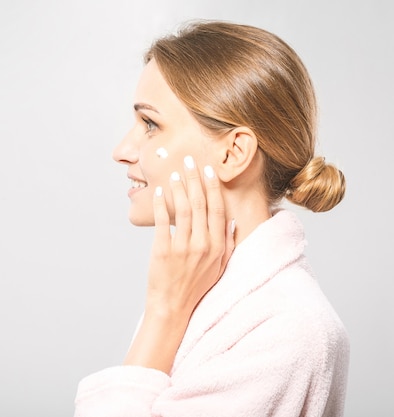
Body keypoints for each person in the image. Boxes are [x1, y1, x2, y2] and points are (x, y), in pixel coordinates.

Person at [73, 20, 349, 417]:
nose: (122, 150)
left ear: (233, 153)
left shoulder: (288, 330)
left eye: (150, 124)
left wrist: (164, 311)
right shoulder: (205, 289)